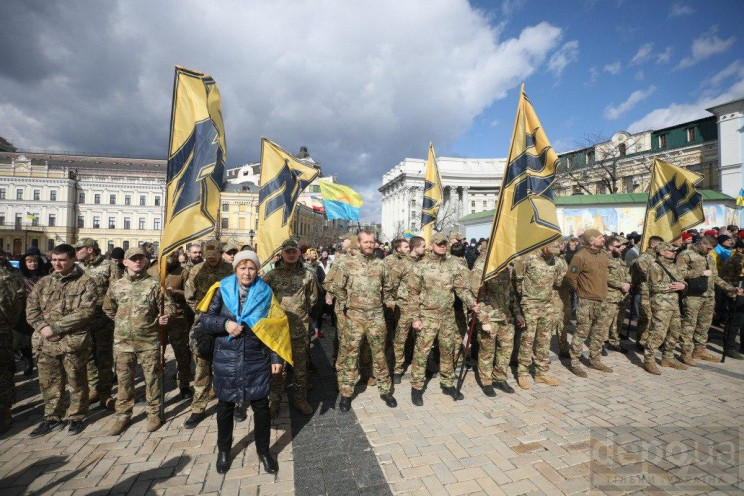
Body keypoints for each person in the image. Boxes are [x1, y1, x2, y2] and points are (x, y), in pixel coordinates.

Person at [200, 250, 290, 475]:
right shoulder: (220, 289)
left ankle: (264, 451)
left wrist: (276, 357)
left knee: (260, 407)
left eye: (251, 268)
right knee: (225, 405)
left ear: (257, 270)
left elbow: (275, 325)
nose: (247, 272)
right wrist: (225, 324)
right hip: (226, 358)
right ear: (235, 269)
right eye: (242, 267)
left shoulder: (265, 291)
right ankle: (223, 451)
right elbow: (206, 320)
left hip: (256, 356)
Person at [26, 244, 98, 437]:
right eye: (54, 259)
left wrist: (55, 328)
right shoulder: (44, 282)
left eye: (62, 260)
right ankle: (52, 417)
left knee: (77, 380)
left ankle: (76, 416)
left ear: (73, 259)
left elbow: (85, 312)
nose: (57, 263)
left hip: (73, 342)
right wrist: (43, 329)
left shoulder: (86, 282)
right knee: (49, 383)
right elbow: (31, 310)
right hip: (46, 342)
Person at [324, 229, 397, 411]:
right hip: (354, 316)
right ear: (359, 243)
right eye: (366, 242)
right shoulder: (348, 264)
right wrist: (347, 303)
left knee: (379, 354)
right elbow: (336, 286)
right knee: (350, 355)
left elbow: (388, 288)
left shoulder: (381, 265)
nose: (369, 245)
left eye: (372, 242)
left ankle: (386, 391)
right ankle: (346, 394)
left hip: (376, 316)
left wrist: (388, 301)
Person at [408, 232, 480, 405]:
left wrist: (472, 303)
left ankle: (447, 383)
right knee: (422, 352)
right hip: (427, 315)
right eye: (438, 243)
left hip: (447, 315)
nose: (442, 246)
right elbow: (413, 294)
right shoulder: (421, 265)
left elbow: (461, 288)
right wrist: (415, 318)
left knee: (448, 350)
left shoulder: (453, 264)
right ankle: (416, 387)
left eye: (444, 243)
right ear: (431, 244)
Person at [105, 247, 169, 435]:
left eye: (141, 258)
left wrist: (163, 318)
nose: (137, 262)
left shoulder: (155, 285)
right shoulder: (116, 285)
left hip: (149, 340)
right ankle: (123, 415)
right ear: (125, 262)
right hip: (123, 342)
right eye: (133, 259)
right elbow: (108, 308)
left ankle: (154, 413)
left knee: (152, 379)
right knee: (124, 381)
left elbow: (168, 308)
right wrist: (123, 322)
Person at [263, 239, 319, 416]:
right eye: (288, 252)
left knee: (300, 368)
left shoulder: (307, 275)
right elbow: (263, 297)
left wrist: (302, 313)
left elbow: (313, 298)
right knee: (277, 368)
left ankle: (300, 399)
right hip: (278, 330)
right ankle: (274, 401)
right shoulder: (272, 276)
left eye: (294, 251)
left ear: (299, 253)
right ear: (282, 254)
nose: (291, 254)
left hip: (299, 329)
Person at [184, 240, 235, 428]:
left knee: (230, 364)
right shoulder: (196, 270)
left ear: (220, 254)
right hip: (204, 324)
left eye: (215, 257)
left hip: (226, 323)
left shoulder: (230, 270)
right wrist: (201, 313)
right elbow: (189, 295)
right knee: (201, 365)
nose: (212, 260)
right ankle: (198, 408)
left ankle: (235, 403)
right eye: (209, 257)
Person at [676, 235, 740, 363]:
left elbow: (715, 277)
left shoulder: (709, 257)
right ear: (701, 243)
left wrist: (731, 289)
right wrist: (700, 273)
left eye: (712, 249)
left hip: (709, 296)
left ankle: (699, 350)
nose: (709, 251)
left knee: (704, 326)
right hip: (693, 296)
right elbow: (678, 273)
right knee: (689, 325)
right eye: (708, 248)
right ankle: (685, 353)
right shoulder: (686, 255)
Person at [74, 237, 119, 410]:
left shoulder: (109, 267)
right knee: (89, 356)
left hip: (103, 319)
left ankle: (105, 392)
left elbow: (114, 293)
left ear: (90, 249)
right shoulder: (79, 268)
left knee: (104, 357)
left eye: (79, 249)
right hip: (84, 319)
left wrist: (107, 314)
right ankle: (94, 388)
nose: (77, 252)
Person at [513, 240, 564, 388]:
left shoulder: (557, 261)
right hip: (530, 305)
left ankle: (541, 373)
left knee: (545, 339)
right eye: (550, 251)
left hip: (547, 304)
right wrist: (524, 300)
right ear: (544, 245)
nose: (552, 255)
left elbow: (558, 282)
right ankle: (522, 373)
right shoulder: (528, 258)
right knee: (527, 339)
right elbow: (517, 280)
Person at [472, 248, 522, 395]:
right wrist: (483, 319)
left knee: (506, 349)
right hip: (489, 317)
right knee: (487, 351)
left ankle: (499, 379)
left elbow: (510, 292)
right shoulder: (482, 265)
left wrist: (517, 313)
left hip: (506, 317)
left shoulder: (506, 266)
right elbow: (475, 296)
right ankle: (486, 381)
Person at [148, 252, 194, 399]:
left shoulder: (182, 272)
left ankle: (184, 385)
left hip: (178, 318)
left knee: (182, 354)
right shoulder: (151, 271)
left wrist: (176, 292)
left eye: (171, 257)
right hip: (156, 319)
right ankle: (155, 388)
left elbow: (189, 293)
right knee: (154, 355)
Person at [566, 229, 612, 377]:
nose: (603, 239)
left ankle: (595, 360)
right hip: (587, 301)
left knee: (599, 332)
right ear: (592, 241)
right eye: (600, 237)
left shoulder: (603, 254)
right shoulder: (580, 256)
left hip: (602, 300)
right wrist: (580, 292)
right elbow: (571, 276)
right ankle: (575, 363)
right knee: (582, 332)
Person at [643, 242, 688, 374]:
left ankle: (668, 357)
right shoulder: (654, 267)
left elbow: (682, 280)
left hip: (674, 304)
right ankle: (649, 360)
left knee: (675, 331)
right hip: (661, 305)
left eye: (675, 251)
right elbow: (653, 287)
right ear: (662, 252)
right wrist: (672, 287)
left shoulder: (673, 266)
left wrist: (683, 286)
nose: (674, 253)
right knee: (658, 333)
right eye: (671, 251)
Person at [391, 236, 425, 382]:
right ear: (415, 247)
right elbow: (392, 285)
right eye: (423, 246)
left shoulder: (424, 263)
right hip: (404, 307)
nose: (425, 249)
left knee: (421, 339)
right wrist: (393, 302)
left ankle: (421, 367)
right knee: (400, 339)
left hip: (421, 307)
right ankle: (398, 369)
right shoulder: (401, 264)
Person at [0, 250, 24, 434]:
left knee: (3, 372)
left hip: (2, 331)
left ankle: (4, 413)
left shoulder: (6, 276)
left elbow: (12, 307)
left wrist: (7, 324)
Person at [603, 236, 631, 354]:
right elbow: (605, 276)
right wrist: (621, 284)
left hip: (622, 296)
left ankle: (614, 342)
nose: (622, 248)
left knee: (618, 321)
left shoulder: (619, 258)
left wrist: (628, 283)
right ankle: (601, 343)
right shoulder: (604, 258)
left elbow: (627, 272)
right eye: (619, 246)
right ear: (610, 247)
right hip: (610, 295)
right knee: (605, 321)